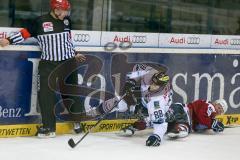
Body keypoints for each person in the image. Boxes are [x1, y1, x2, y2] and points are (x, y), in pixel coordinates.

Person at [0, 0, 86, 138]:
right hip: (48, 63)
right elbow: (24, 33)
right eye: (64, 10)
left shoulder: (67, 21)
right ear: (56, 9)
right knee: (45, 95)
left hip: (68, 62)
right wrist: (9, 40)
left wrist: (74, 53)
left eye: (67, 10)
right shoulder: (40, 21)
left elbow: (67, 41)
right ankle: (49, 128)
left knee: (71, 93)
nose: (66, 13)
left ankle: (77, 123)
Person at [89, 63, 173, 147]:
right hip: (143, 97)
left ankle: (146, 121)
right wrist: (131, 81)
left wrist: (157, 136)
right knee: (119, 103)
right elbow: (138, 67)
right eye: (153, 81)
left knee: (154, 118)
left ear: (162, 86)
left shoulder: (159, 100)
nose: (152, 85)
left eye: (156, 85)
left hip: (153, 104)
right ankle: (95, 111)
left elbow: (160, 123)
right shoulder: (150, 72)